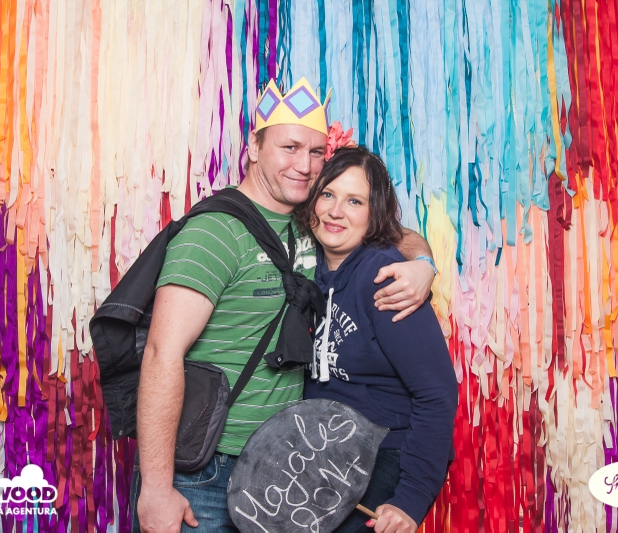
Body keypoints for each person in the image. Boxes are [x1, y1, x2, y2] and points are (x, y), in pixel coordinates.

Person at [133, 78, 438, 533]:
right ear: (254, 148)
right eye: (289, 147)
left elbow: (386, 229)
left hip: (280, 474)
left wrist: (423, 264)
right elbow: (161, 354)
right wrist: (157, 488)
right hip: (203, 474)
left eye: (316, 152)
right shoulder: (214, 232)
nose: (305, 165)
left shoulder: (310, 222)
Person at [297, 146, 458, 533]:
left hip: (382, 454)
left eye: (355, 201)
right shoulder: (306, 265)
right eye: (328, 194)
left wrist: (410, 500)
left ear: (374, 214)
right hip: (321, 454)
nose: (336, 211)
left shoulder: (385, 279)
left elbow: (437, 393)